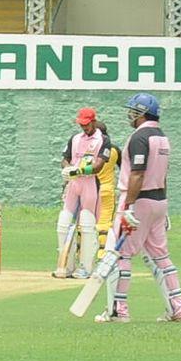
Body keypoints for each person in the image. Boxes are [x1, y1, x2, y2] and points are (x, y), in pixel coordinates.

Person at [94, 92, 181, 324]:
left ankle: (119, 310)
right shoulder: (162, 137)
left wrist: (128, 206)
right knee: (162, 257)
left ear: (141, 113)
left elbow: (138, 174)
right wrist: (163, 208)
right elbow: (163, 174)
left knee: (122, 255)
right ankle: (179, 309)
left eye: (133, 111)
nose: (130, 115)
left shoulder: (140, 137)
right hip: (159, 201)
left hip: (138, 202)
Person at [53, 107, 110, 280]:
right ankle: (66, 266)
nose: (83, 127)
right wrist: (67, 169)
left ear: (93, 121)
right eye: (81, 124)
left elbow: (99, 165)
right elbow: (65, 158)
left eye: (86, 124)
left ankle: (86, 267)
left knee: (86, 224)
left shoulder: (103, 140)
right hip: (73, 185)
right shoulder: (75, 138)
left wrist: (79, 170)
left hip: (90, 184)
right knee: (63, 224)